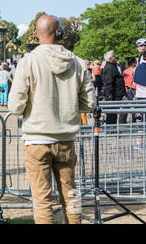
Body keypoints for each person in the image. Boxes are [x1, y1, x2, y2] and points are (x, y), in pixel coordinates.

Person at [8, 15, 95, 224]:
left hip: (37, 137)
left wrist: (32, 109)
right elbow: (89, 102)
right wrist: (68, 107)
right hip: (65, 137)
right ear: (59, 33)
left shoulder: (28, 61)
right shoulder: (77, 62)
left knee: (42, 199)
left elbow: (15, 105)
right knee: (71, 193)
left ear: (36, 34)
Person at [102, 50, 126, 124]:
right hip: (114, 94)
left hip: (116, 92)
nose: (115, 57)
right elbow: (108, 81)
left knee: (113, 112)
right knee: (111, 112)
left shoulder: (112, 66)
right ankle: (111, 129)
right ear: (110, 58)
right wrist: (110, 94)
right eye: (113, 56)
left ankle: (112, 128)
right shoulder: (110, 67)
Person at [133, 49, 146, 122]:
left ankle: (144, 131)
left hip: (140, 96)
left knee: (144, 116)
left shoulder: (137, 68)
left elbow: (135, 82)